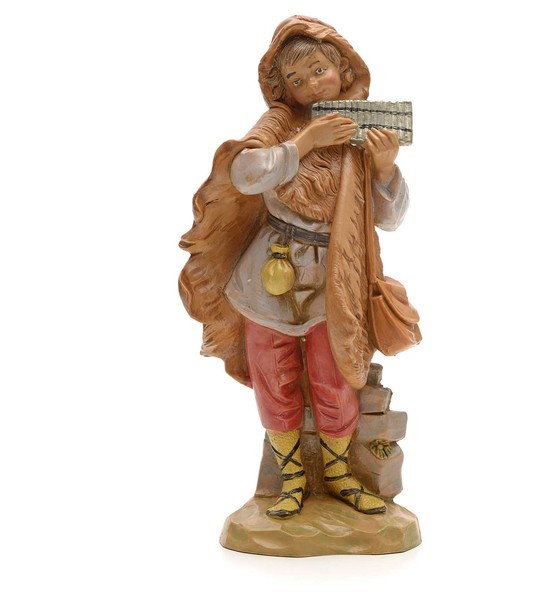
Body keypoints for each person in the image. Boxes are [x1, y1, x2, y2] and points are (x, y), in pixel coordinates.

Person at [179, 16, 412, 518]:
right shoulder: (280, 123)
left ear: (343, 68)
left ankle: (338, 474)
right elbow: (245, 172)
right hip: (271, 270)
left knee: (334, 374)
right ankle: (290, 477)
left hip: (335, 274)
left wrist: (385, 167)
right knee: (273, 372)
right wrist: (305, 141)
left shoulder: (360, 128)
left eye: (319, 70)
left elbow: (390, 218)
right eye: (296, 79)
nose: (311, 85)